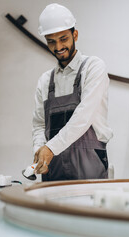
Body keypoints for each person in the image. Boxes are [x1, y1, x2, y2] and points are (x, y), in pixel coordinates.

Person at [32, 3, 113, 181]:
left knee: (87, 209)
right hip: (53, 167)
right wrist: (39, 151)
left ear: (74, 35)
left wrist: (50, 148)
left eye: (63, 38)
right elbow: (39, 124)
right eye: (51, 41)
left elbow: (83, 116)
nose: (58, 46)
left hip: (89, 165)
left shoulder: (93, 67)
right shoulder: (45, 81)